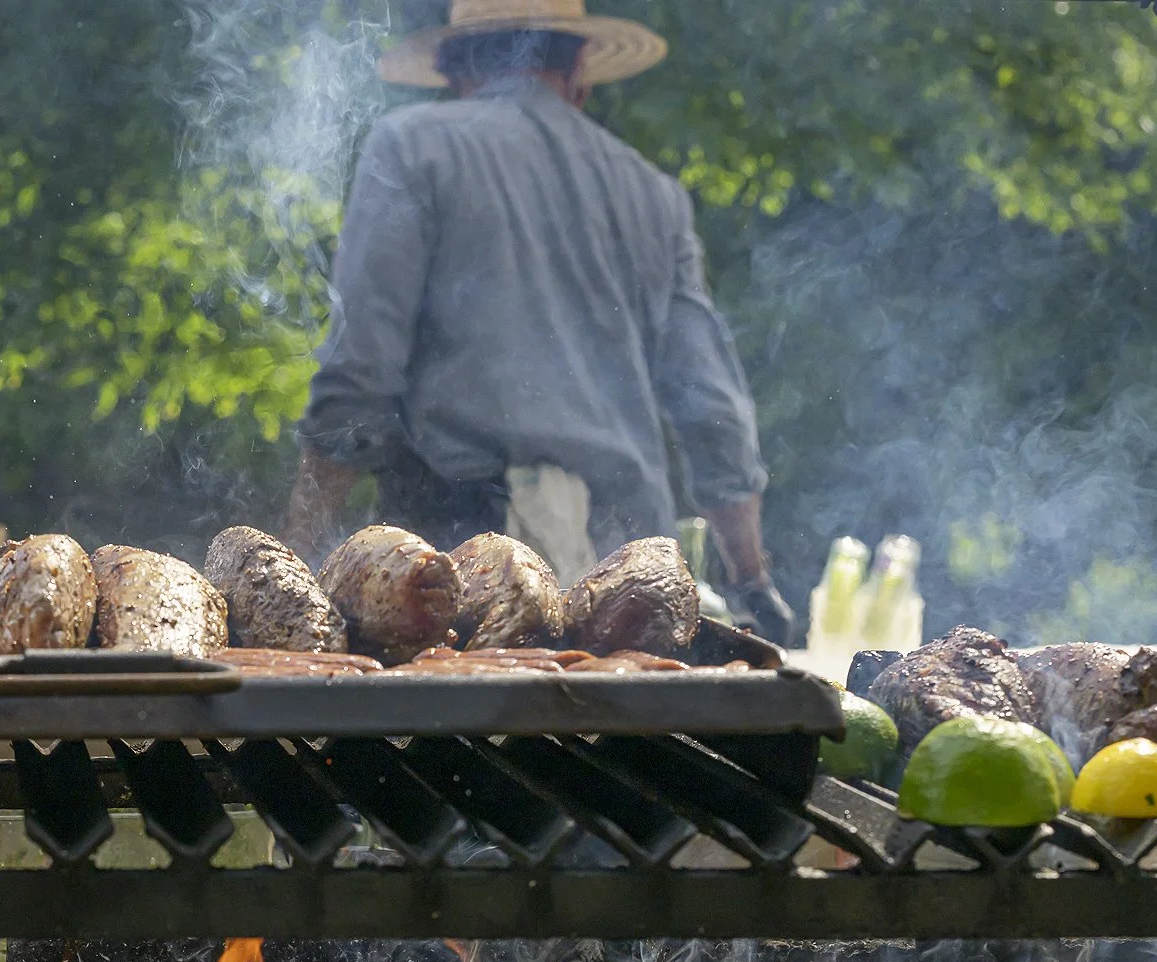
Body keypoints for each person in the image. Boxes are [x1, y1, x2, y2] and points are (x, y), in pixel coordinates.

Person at [283, 0, 792, 640]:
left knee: (460, 706)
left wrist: (297, 554)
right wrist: (751, 580)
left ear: (457, 71)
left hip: (465, 554)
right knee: (620, 704)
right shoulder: (653, 193)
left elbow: (362, 367)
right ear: (578, 71)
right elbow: (712, 404)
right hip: (628, 569)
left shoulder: (414, 146)